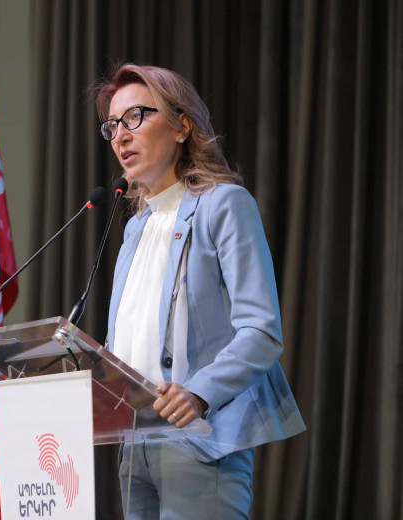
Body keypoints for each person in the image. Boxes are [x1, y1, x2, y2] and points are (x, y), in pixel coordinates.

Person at [96, 63, 305, 519]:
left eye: (135, 117)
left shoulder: (223, 205)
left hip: (199, 438)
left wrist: (198, 393)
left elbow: (261, 331)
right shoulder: (135, 228)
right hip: (134, 445)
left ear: (181, 126)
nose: (120, 135)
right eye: (112, 125)